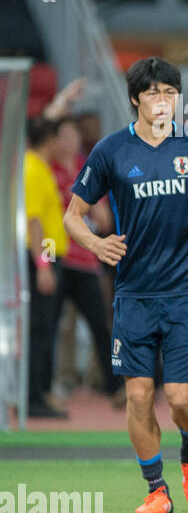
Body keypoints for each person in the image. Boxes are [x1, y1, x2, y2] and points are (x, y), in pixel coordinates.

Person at [64, 57, 188, 513]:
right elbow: (72, 216)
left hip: (185, 289)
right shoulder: (111, 151)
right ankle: (156, 489)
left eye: (170, 92)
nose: (163, 101)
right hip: (134, 292)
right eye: (154, 92)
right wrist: (97, 245)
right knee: (137, 394)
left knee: (179, 395)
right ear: (136, 98)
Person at [49, 115, 121, 405]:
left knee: (100, 324)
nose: (69, 141)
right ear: (53, 139)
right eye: (63, 135)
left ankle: (114, 386)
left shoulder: (85, 168)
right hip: (53, 255)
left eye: (73, 135)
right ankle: (51, 385)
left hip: (86, 260)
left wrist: (88, 205)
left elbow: (103, 219)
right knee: (54, 325)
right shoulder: (45, 167)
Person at [25, 118, 69, 418]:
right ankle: (33, 396)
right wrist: (43, 265)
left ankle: (41, 391)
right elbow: (33, 221)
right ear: (49, 140)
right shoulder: (33, 169)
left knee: (48, 326)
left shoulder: (41, 168)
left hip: (51, 254)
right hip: (43, 257)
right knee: (40, 328)